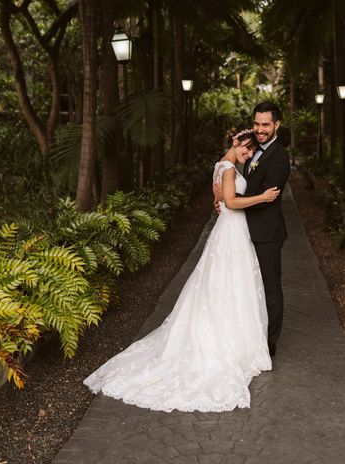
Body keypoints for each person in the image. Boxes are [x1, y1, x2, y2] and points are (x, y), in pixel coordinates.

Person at [83, 133, 280, 413]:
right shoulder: (226, 169)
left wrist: (225, 200)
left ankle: (238, 339)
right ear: (235, 144)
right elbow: (232, 202)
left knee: (229, 285)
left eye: (251, 152)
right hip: (231, 232)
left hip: (233, 231)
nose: (248, 155)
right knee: (228, 283)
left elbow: (224, 200)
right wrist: (262, 196)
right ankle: (227, 342)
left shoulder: (223, 167)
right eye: (246, 149)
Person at [215, 101, 291, 357]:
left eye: (265, 124)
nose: (260, 129)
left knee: (270, 287)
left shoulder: (279, 156)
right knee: (248, 286)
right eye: (257, 123)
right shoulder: (252, 150)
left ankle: (269, 343)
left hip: (267, 233)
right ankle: (250, 336)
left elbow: (265, 196)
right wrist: (225, 200)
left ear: (276, 125)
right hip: (244, 232)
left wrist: (229, 199)